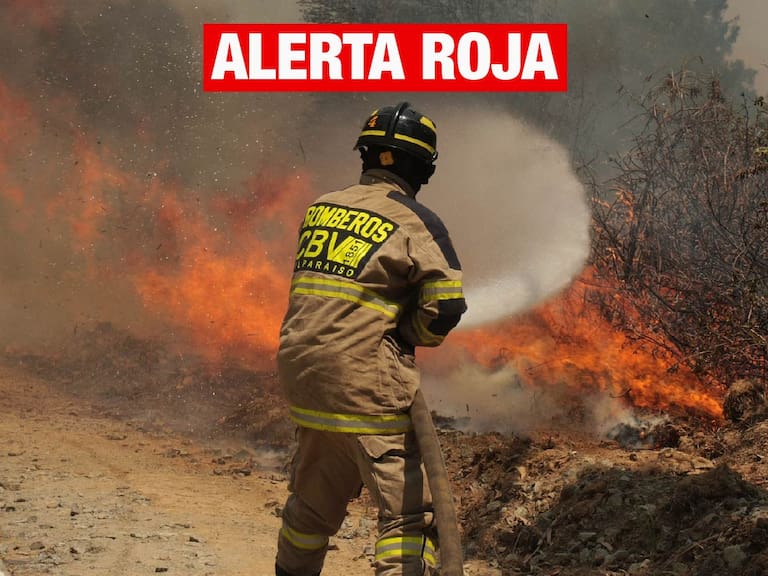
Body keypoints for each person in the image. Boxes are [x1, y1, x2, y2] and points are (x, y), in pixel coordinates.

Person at [275, 102, 467, 576]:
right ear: (422, 167)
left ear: (365, 154)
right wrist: (406, 335)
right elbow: (445, 308)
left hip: (305, 378)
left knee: (311, 507)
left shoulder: (321, 208)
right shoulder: (416, 220)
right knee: (408, 519)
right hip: (366, 384)